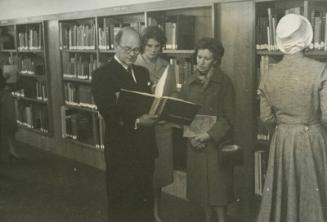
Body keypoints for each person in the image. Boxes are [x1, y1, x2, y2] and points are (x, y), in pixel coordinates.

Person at [257, 14, 327, 222]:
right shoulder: (320, 70)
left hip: (282, 140)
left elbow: (266, 117)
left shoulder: (269, 74)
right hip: (311, 138)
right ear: (305, 39)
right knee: (312, 194)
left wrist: (285, 125)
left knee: (284, 193)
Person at [91, 27, 158, 222]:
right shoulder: (102, 74)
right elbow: (109, 112)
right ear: (115, 46)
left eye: (136, 50)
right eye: (127, 49)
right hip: (121, 149)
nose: (132, 54)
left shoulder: (143, 72)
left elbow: (146, 104)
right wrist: (138, 120)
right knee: (122, 201)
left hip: (145, 147)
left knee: (144, 196)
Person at [179, 37, 235, 222]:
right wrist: (191, 137)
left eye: (206, 58)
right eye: (199, 57)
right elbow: (181, 113)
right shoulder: (188, 83)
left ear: (216, 60)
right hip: (194, 143)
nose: (201, 62)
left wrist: (208, 135)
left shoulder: (224, 83)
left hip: (215, 144)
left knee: (219, 192)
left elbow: (228, 118)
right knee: (202, 192)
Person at [134, 26, 176, 222]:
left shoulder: (166, 65)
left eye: (157, 46)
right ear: (143, 46)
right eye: (149, 45)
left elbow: (173, 92)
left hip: (161, 125)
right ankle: (142, 211)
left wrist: (168, 99)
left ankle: (156, 212)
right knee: (142, 172)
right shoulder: (134, 63)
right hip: (142, 125)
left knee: (158, 176)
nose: (153, 50)